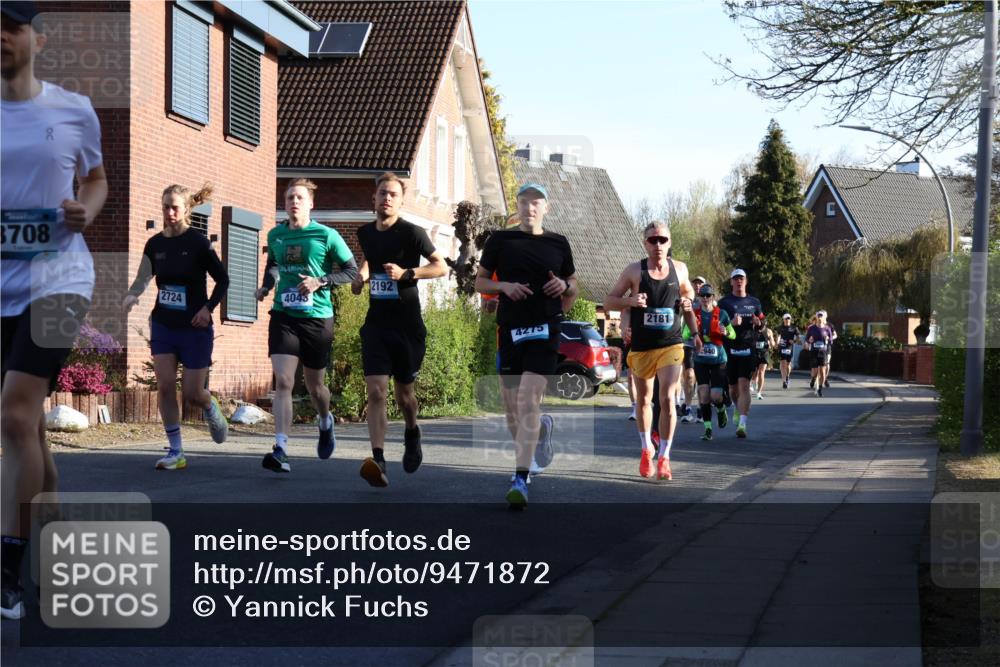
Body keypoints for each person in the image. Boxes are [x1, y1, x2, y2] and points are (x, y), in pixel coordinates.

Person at [2, 1, 108, 619]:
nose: (0, 37)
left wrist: (86, 210)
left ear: (39, 40)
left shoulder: (72, 110)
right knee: (29, 429)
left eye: (11, 27)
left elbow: (95, 179)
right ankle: (52, 529)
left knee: (14, 418)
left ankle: (9, 569)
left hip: (60, 279)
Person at [475, 183, 578, 507]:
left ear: (546, 207)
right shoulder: (500, 240)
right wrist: (503, 285)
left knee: (527, 399)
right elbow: (480, 281)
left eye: (536, 202)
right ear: (517, 207)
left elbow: (574, 284)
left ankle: (521, 477)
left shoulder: (558, 243)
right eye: (524, 202)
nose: (530, 207)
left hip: (546, 328)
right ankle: (543, 431)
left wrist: (564, 284)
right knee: (511, 409)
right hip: (511, 329)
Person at [350, 173, 447, 487]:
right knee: (376, 391)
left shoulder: (412, 233)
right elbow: (370, 261)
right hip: (376, 324)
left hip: (407, 327)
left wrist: (408, 273)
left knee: (404, 396)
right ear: (374, 199)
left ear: (401, 200)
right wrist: (361, 277)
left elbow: (441, 266)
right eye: (382, 194)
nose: (386, 199)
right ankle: (378, 459)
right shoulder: (366, 233)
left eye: (392, 194)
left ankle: (412, 432)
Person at [123, 183, 230, 469]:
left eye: (174, 208)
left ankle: (210, 407)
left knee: (193, 393)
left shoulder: (198, 243)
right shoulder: (155, 244)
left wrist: (208, 310)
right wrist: (132, 295)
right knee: (166, 385)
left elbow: (223, 280)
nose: (169, 212)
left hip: (194, 327)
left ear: (186, 210)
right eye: (165, 207)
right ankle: (176, 451)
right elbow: (143, 277)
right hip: (164, 324)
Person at [255, 179, 357, 473]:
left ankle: (325, 421)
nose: (294, 202)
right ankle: (281, 448)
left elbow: (350, 271)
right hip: (284, 316)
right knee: (284, 382)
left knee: (316, 387)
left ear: (311, 203)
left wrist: (320, 280)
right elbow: (273, 265)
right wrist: (266, 287)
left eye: (299, 197)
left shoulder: (327, 235)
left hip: (317, 318)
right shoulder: (276, 235)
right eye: (289, 198)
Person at [605, 222, 699, 481]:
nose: (657, 244)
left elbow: (689, 296)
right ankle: (647, 448)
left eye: (662, 240)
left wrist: (690, 306)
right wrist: (629, 301)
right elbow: (608, 300)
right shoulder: (634, 271)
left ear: (669, 242)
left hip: (672, 343)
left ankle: (665, 456)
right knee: (645, 400)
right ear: (645, 243)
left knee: (668, 397)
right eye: (652, 240)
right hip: (643, 347)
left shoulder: (679, 269)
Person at [683, 284, 735, 441]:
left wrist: (726, 332)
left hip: (718, 359)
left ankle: (720, 409)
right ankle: (707, 430)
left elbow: (732, 334)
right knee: (704, 396)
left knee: (716, 396)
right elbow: (685, 333)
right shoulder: (694, 314)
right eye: (702, 296)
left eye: (708, 296)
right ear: (699, 298)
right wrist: (693, 333)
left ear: (713, 297)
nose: (705, 299)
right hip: (700, 360)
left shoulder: (722, 314)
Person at [717, 268, 765, 439]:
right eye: (736, 279)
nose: (739, 282)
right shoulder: (724, 303)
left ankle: (743, 424)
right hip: (730, 348)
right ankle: (737, 408)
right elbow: (718, 327)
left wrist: (758, 323)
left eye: (741, 279)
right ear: (731, 282)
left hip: (748, 346)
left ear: (746, 281)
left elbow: (762, 325)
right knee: (733, 388)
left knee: (744, 384)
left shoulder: (754, 302)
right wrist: (731, 323)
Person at [680, 275, 706, 422]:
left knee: (701, 378)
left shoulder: (711, 302)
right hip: (688, 342)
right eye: (695, 283)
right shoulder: (688, 300)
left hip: (704, 344)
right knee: (689, 375)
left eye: (700, 283)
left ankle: (701, 408)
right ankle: (688, 408)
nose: (697, 286)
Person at [806, 310, 834, 397]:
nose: (820, 318)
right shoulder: (811, 328)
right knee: (815, 372)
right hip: (814, 352)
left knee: (822, 372)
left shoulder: (827, 328)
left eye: (821, 316)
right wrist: (809, 340)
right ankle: (813, 379)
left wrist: (827, 339)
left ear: (823, 318)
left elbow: (831, 341)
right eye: (819, 316)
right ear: (816, 317)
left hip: (823, 352)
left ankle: (820, 389)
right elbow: (807, 339)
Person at [776, 313, 801, 389]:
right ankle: (784, 381)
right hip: (782, 347)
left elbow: (798, 339)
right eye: (786, 319)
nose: (787, 320)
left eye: (789, 318)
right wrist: (777, 342)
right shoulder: (780, 327)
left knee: (788, 365)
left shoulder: (794, 328)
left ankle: (787, 376)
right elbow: (778, 336)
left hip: (789, 348)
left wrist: (793, 341)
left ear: (790, 319)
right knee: (783, 364)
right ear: (783, 319)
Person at [751, 322, 775, 400]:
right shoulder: (753, 329)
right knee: (754, 373)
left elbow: (773, 343)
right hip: (755, 353)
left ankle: (759, 393)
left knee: (761, 372)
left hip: (764, 353)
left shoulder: (768, 331)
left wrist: (771, 343)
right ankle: (752, 382)